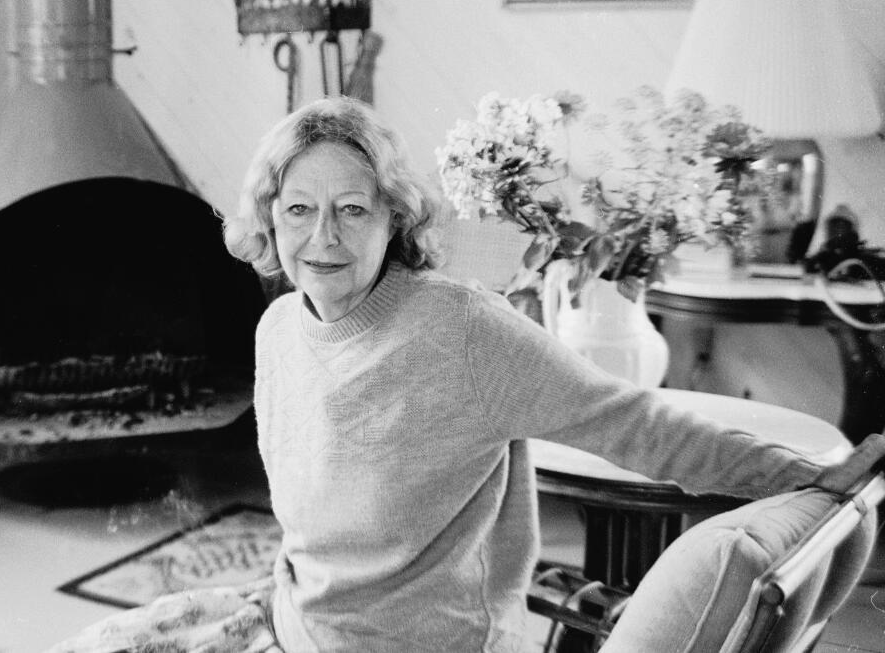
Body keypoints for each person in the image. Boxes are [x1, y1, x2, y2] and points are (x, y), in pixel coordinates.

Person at [55, 96, 885, 653]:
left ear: (395, 218)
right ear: (269, 220)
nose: (324, 239)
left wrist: (813, 480)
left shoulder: (457, 329)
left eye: (354, 209)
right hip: (298, 622)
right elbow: (316, 539)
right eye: (299, 209)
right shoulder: (279, 329)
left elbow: (639, 423)